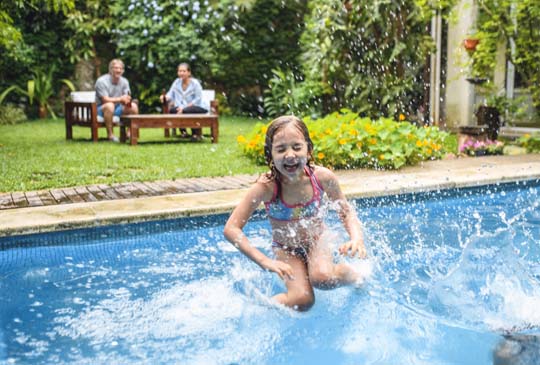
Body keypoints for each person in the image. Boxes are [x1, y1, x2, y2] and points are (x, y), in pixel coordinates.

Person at [223, 115, 368, 311]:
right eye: (281, 149)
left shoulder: (322, 177)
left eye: (297, 147)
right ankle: (259, 306)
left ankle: (349, 274)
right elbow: (231, 228)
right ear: (270, 155)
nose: (290, 154)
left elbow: (345, 211)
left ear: (309, 150)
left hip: (317, 239)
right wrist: (264, 261)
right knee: (302, 301)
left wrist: (356, 238)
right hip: (286, 248)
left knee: (322, 278)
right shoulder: (266, 187)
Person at [160, 63, 207, 141]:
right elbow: (170, 94)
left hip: (198, 106)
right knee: (173, 110)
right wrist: (164, 97)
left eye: (184, 71)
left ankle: (195, 133)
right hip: (181, 107)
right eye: (179, 71)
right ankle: (183, 132)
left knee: (187, 110)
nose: (181, 73)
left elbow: (198, 99)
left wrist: (184, 108)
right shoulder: (176, 82)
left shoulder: (195, 83)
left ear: (189, 73)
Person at [95, 59, 138, 142]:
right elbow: (105, 100)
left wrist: (127, 100)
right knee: (110, 105)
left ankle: (129, 133)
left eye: (120, 68)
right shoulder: (101, 81)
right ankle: (110, 135)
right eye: (116, 68)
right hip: (101, 109)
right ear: (110, 69)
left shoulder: (124, 81)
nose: (118, 70)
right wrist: (120, 99)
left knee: (134, 106)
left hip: (118, 108)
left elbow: (127, 96)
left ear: (123, 71)